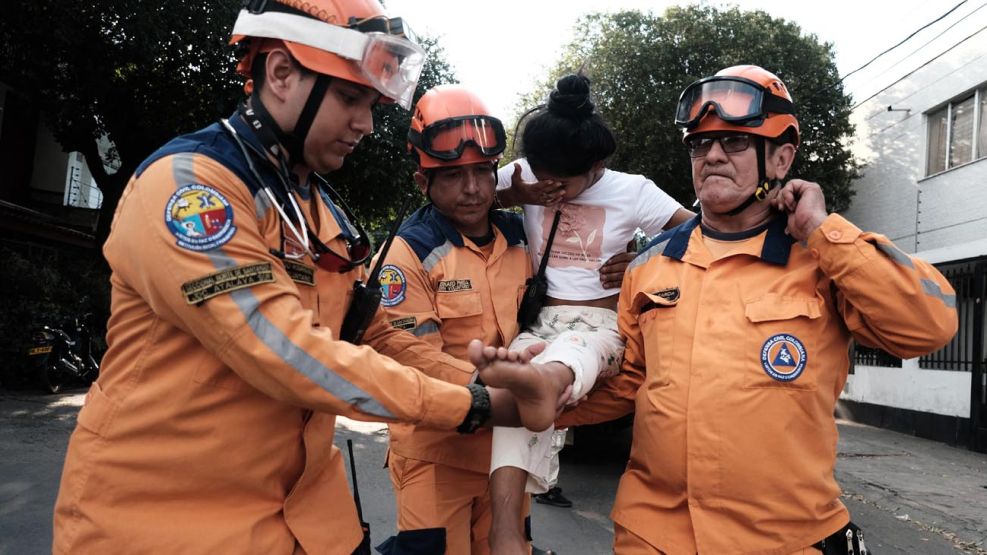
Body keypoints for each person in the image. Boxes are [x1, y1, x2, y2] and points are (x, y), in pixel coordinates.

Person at [51, 2, 559, 553]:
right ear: (281, 73)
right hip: (166, 521)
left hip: (309, 520)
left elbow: (382, 338)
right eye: (349, 97)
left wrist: (488, 385)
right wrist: (477, 406)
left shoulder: (322, 215)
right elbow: (285, 351)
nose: (365, 124)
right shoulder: (191, 190)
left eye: (371, 104)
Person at [478, 64, 959, 553]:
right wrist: (532, 400)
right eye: (699, 144)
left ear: (781, 158)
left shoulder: (821, 259)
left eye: (733, 142)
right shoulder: (650, 268)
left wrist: (823, 229)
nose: (711, 156)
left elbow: (926, 327)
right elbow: (630, 385)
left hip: (784, 539)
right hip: (651, 536)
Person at [488, 74, 693, 553]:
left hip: (601, 326)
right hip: (539, 324)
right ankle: (506, 531)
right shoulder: (523, 175)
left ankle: (549, 382)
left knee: (572, 355)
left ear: (598, 166)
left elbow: (696, 230)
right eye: (542, 175)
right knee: (514, 384)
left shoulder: (633, 191)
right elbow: (466, 196)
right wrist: (515, 196)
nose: (551, 184)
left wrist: (644, 255)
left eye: (564, 179)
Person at [368, 84, 533, 555]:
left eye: (483, 171)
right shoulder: (407, 253)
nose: (474, 188)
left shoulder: (523, 238)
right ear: (423, 183)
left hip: (509, 454)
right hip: (436, 453)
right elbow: (410, 355)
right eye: (454, 175)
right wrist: (502, 393)